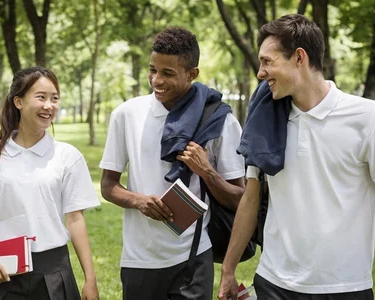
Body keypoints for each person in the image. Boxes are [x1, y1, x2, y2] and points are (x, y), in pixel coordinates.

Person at [217, 14, 375, 300]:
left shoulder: (366, 118)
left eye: (268, 61)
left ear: (299, 57)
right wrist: (228, 270)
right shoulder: (265, 119)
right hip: (273, 283)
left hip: (344, 287)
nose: (260, 73)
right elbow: (250, 199)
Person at [99, 27, 246, 300]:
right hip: (139, 259)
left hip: (193, 257)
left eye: (168, 73)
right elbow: (108, 186)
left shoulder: (220, 121)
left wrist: (206, 172)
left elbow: (241, 199)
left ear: (193, 74)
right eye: (152, 69)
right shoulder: (126, 115)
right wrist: (138, 201)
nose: (156, 80)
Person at [0, 67, 100, 300]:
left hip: (53, 270)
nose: (49, 105)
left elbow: (76, 219)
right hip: (5, 269)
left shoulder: (67, 155)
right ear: (18, 101)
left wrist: (90, 278)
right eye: (41, 97)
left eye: (54, 98)